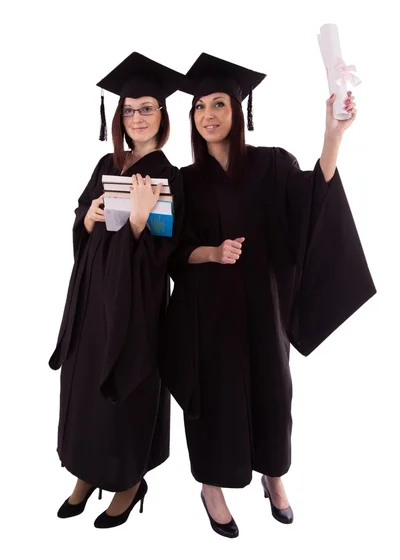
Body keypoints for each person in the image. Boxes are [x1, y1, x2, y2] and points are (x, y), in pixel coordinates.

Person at [161, 53, 376, 538]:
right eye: (199, 107)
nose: (208, 114)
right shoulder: (184, 181)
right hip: (206, 316)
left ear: (239, 111)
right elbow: (172, 254)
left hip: (264, 309)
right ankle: (211, 487)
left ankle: (273, 476)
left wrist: (333, 135)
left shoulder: (274, 163)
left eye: (219, 103)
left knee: (273, 395)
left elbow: (312, 207)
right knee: (213, 400)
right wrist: (211, 253)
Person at [49, 52, 187, 529]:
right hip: (91, 297)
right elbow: (84, 223)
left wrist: (142, 219)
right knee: (83, 384)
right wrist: (85, 220)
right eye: (129, 110)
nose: (137, 117)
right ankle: (87, 474)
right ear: (120, 118)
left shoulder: (170, 176)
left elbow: (161, 257)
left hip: (135, 306)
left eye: (147, 108)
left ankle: (128, 481)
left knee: (123, 386)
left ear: (162, 115)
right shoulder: (107, 162)